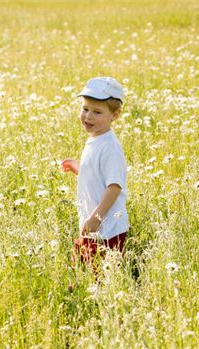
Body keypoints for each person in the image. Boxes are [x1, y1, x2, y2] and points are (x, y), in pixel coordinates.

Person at [61, 77, 129, 278]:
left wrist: (96, 219)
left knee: (100, 277)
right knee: (79, 270)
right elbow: (98, 175)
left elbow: (114, 187)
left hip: (107, 230)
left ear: (114, 115)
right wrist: (79, 168)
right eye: (85, 109)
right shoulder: (96, 139)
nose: (88, 116)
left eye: (97, 112)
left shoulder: (110, 147)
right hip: (91, 224)